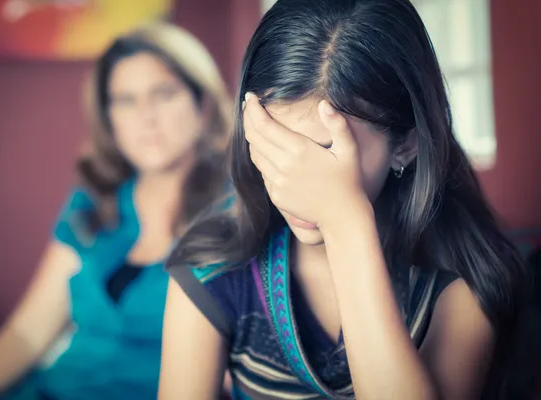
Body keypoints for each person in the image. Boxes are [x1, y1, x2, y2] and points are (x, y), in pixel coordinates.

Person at [158, 0, 526, 399]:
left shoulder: (462, 284)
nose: (295, 183)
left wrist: (345, 223)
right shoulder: (212, 267)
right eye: (278, 147)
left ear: (404, 145)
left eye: (325, 152)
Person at [0, 22, 232, 400]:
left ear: (203, 106)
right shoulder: (93, 200)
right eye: (125, 100)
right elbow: (28, 334)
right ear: (110, 118)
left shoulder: (235, 213)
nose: (146, 116)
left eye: (163, 94)